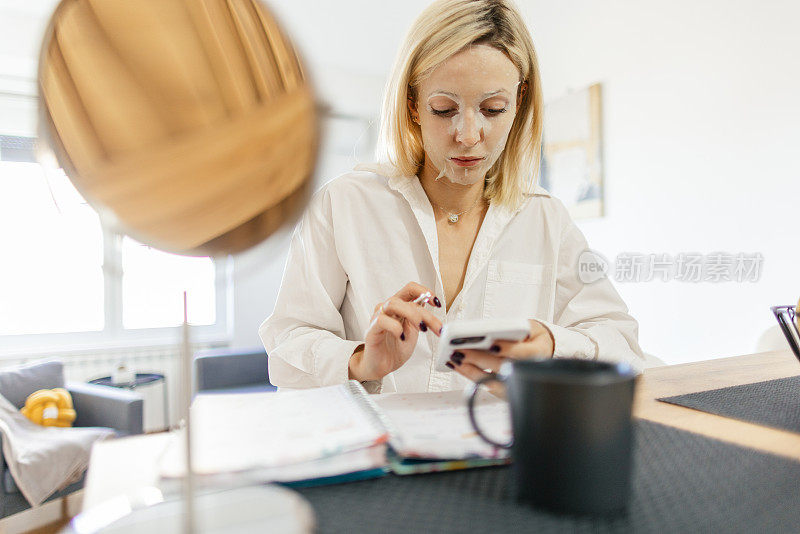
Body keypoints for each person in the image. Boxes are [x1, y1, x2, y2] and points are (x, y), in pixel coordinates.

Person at [260, 0, 644, 393]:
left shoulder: (545, 219)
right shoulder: (343, 205)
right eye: (444, 109)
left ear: (520, 102)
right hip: (382, 449)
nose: (468, 135)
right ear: (412, 105)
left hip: (503, 447)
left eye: (493, 109)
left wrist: (552, 344)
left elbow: (623, 344)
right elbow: (288, 348)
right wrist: (359, 361)